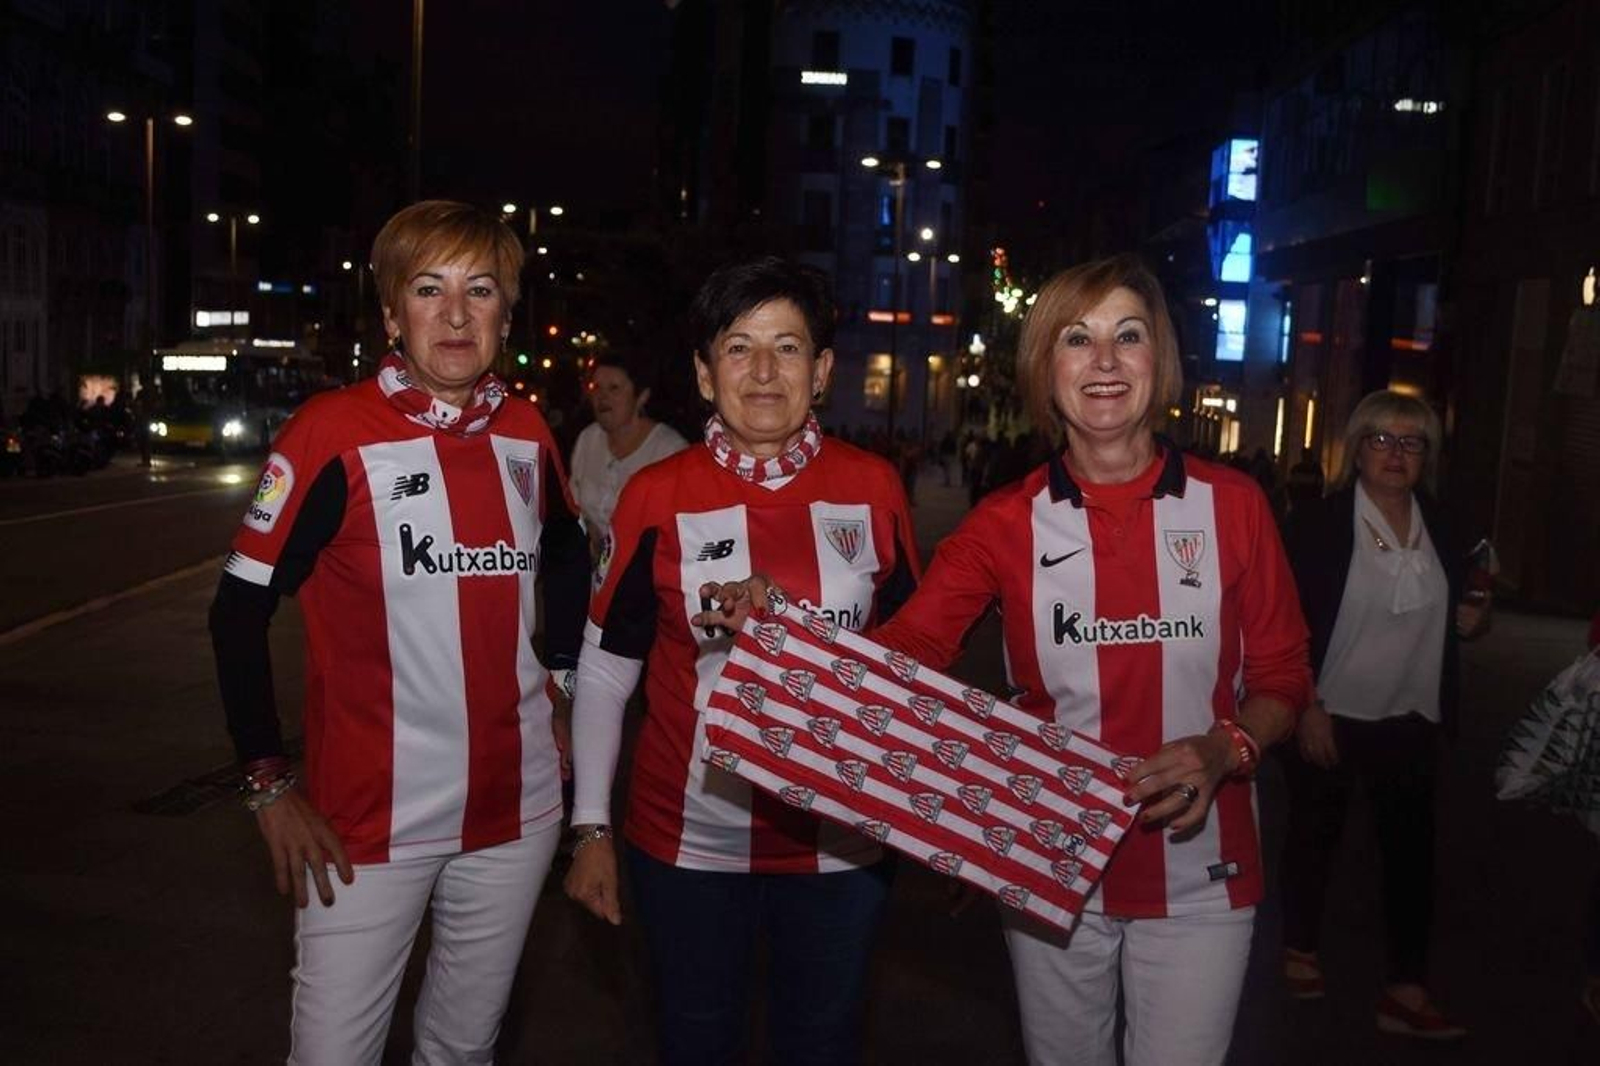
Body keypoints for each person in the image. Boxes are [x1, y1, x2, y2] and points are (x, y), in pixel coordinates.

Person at [700, 253, 1311, 1066]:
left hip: (1202, 871)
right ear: (1042, 370)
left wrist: (1222, 749)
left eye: (1127, 336)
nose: (1103, 361)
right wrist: (789, 628)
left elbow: (1283, 678)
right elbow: (904, 653)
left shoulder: (1233, 506)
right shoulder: (1002, 524)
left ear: (1159, 359)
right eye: (1075, 339)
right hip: (1048, 854)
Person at [208, 200, 589, 1064]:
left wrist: (560, 680)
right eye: (429, 289)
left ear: (504, 311)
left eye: (480, 290)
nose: (456, 314)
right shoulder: (330, 435)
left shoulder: (528, 432)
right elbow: (237, 611)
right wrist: (267, 782)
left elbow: (569, 555)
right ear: (391, 313)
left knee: (462, 1049)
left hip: (516, 812)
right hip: (365, 827)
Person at [563, 256, 921, 1065]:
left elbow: (908, 671)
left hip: (843, 850)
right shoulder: (655, 493)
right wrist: (589, 827)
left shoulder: (876, 489)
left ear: (823, 371)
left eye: (789, 348)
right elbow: (608, 668)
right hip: (685, 847)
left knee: (822, 1046)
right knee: (695, 1045)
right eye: (739, 347)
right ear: (702, 371)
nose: (764, 371)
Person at [1278, 389, 1489, 1040]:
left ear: (1428, 455)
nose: (1396, 455)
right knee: (1315, 838)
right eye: (1382, 439)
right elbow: (1282, 625)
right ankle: (1300, 948)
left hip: (1412, 713)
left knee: (1411, 858)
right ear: (1356, 447)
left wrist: (1476, 617)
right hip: (1332, 710)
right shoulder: (1316, 524)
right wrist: (1305, 705)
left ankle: (1404, 988)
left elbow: (1474, 593)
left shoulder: (1447, 525)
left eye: (1412, 442)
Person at [567, 350, 687, 560]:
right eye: (596, 388)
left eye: (614, 388)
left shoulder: (669, 451)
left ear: (641, 397)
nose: (602, 397)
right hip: (593, 573)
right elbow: (573, 505)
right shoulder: (588, 439)